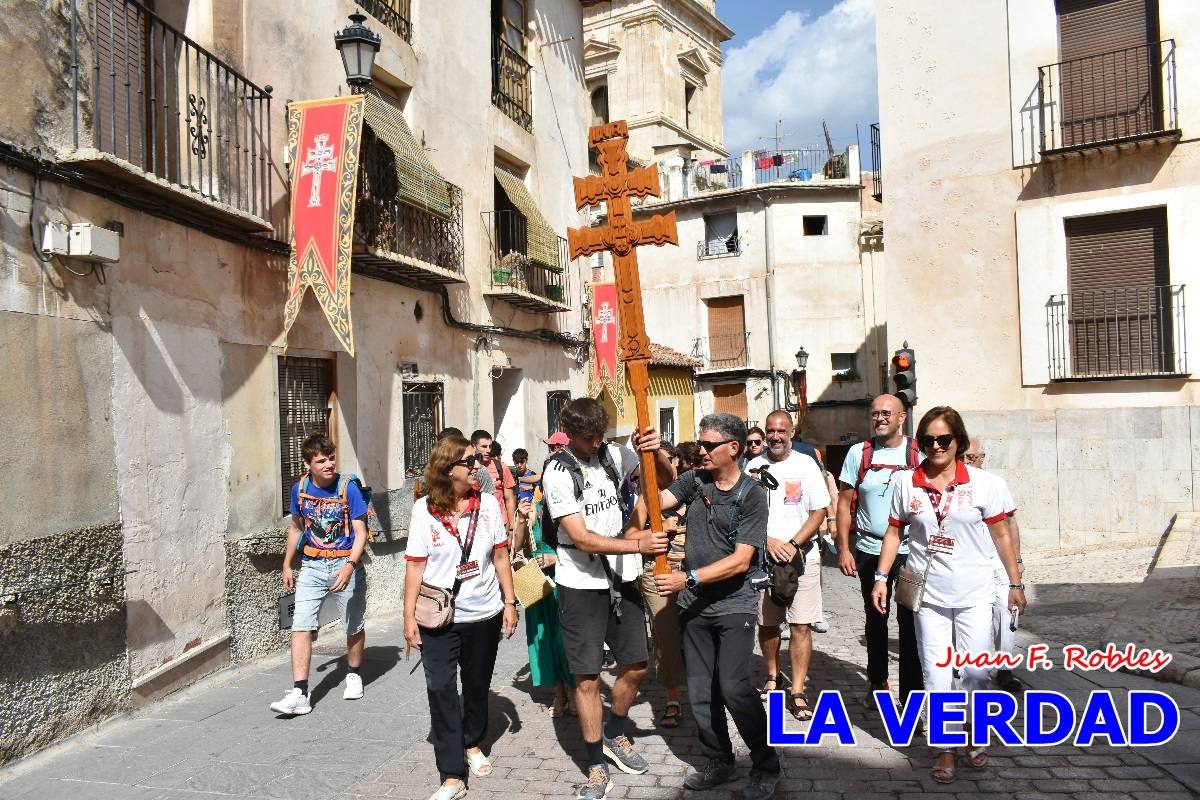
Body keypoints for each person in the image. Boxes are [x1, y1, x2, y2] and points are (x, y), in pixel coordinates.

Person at [872, 407, 1026, 785]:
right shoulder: (907, 483)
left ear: (958, 441)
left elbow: (1002, 534)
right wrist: (880, 577)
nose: (936, 447)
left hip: (975, 592)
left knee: (975, 672)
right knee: (936, 674)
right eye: (928, 441)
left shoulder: (984, 483)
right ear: (919, 443)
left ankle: (973, 731)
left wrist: (1015, 582)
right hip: (929, 598)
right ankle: (945, 748)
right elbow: (894, 532)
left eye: (944, 440)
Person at [543, 398, 673, 800]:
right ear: (569, 433)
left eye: (600, 434)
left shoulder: (615, 452)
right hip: (580, 582)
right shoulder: (558, 471)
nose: (596, 443)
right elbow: (580, 537)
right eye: (588, 438)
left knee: (636, 664)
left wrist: (656, 450)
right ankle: (596, 766)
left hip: (622, 579)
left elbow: (663, 480)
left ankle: (615, 732)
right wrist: (637, 545)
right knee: (586, 677)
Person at [654, 413, 781, 800]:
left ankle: (765, 764)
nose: (702, 451)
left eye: (709, 445)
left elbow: (742, 560)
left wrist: (687, 578)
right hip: (695, 607)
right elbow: (658, 497)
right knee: (700, 691)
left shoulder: (752, 494)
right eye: (701, 444)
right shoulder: (695, 480)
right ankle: (720, 760)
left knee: (735, 688)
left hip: (734, 603)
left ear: (734, 449)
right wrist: (655, 452)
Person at [403, 435, 519, 800]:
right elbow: (414, 567)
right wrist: (408, 618)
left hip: (484, 613)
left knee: (475, 686)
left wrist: (511, 602)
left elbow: (500, 556)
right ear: (446, 468)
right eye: (469, 461)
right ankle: (451, 775)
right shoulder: (424, 510)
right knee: (440, 688)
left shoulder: (486, 505)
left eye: (476, 460)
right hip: (439, 617)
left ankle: (471, 743)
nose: (477, 466)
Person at [835, 394, 924, 708]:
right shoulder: (859, 453)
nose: (880, 418)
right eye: (875, 413)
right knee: (876, 618)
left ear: (901, 417)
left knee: (910, 624)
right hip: (870, 549)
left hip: (913, 552)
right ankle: (877, 681)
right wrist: (843, 548)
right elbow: (844, 504)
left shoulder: (919, 452)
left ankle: (912, 695)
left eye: (887, 413)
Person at [272, 433, 370, 716]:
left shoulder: (347, 487)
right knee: (300, 624)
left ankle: (353, 672)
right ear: (308, 464)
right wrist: (287, 563)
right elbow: (297, 527)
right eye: (321, 460)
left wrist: (350, 565)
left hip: (345, 563)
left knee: (353, 623)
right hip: (313, 566)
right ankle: (300, 692)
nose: (329, 464)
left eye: (331, 458)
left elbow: (361, 532)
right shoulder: (300, 488)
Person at [746, 410, 830, 721]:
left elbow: (819, 512)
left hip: (802, 557)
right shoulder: (754, 467)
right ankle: (772, 674)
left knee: (800, 625)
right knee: (767, 624)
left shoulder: (806, 465)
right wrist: (768, 542)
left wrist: (792, 544)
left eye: (782, 430)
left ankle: (797, 691)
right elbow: (746, 516)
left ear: (791, 433)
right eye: (771, 431)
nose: (776, 436)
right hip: (765, 559)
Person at [963, 438, 1024, 692]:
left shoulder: (997, 485)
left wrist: (1017, 562)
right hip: (970, 563)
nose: (965, 462)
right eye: (962, 457)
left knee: (1006, 611)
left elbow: (1010, 524)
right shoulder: (957, 486)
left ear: (982, 458)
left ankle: (1005, 667)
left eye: (969, 457)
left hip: (998, 560)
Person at [515, 492, 577, 717]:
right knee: (545, 640)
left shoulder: (571, 506)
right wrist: (522, 519)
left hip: (565, 581)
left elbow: (582, 544)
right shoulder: (533, 507)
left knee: (565, 640)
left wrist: (555, 559)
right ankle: (559, 694)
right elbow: (518, 546)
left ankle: (574, 692)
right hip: (539, 585)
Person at [472, 430, 517, 535]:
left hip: (500, 522)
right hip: (477, 524)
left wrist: (511, 528)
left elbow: (509, 499)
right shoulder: (467, 468)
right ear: (474, 447)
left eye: (490, 446)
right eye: (484, 446)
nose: (488, 450)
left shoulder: (501, 467)